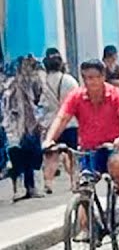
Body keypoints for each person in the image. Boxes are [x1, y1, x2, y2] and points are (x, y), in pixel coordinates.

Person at [43, 59, 119, 225]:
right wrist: (50, 139)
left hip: (114, 147)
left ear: (103, 77)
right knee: (82, 186)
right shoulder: (77, 96)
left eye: (94, 77)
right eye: (86, 78)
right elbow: (62, 118)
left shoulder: (117, 95)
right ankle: (89, 228)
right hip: (89, 150)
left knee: (116, 163)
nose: (89, 82)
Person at [2, 56, 44, 201]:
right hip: (16, 125)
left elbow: (39, 98)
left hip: (30, 125)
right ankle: (22, 187)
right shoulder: (10, 85)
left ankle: (30, 187)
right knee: (19, 157)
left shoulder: (32, 82)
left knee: (30, 156)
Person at [40, 53, 79, 194]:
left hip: (51, 123)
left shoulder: (43, 83)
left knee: (51, 155)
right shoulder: (69, 80)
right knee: (71, 154)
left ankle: (48, 183)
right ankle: (74, 181)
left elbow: (41, 104)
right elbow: (78, 100)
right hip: (69, 122)